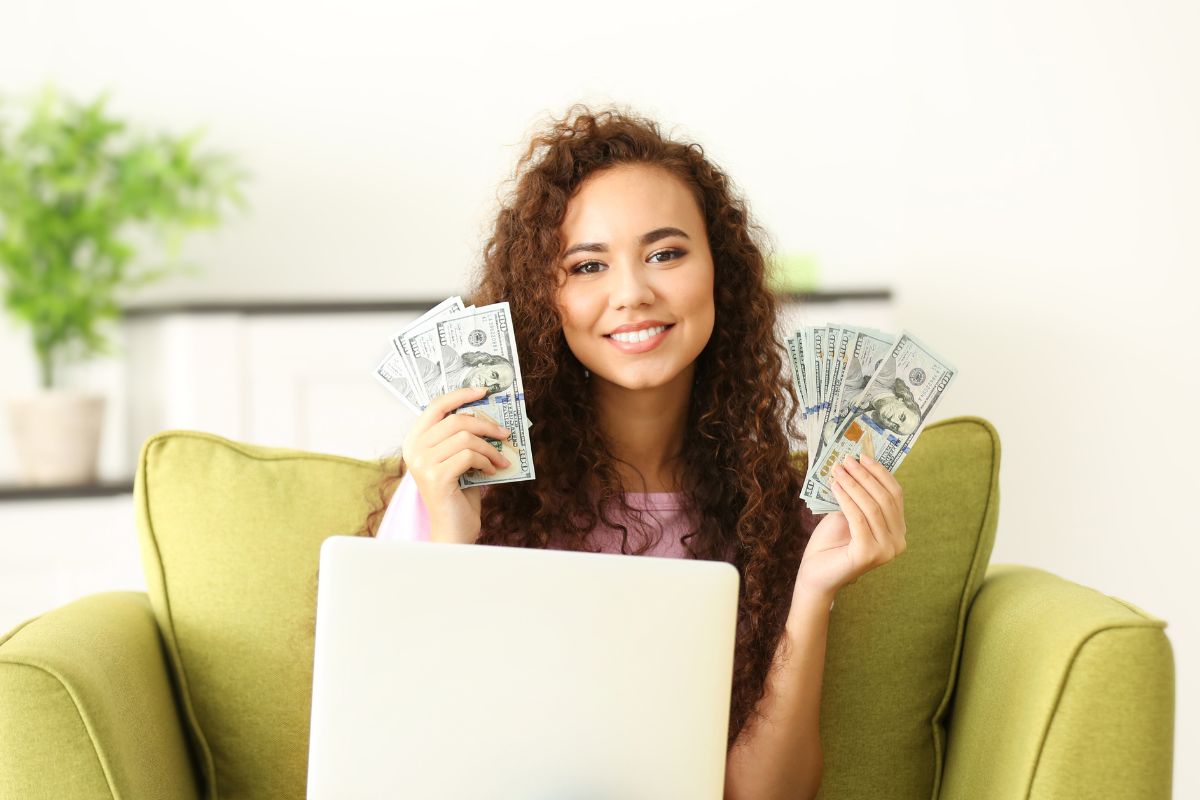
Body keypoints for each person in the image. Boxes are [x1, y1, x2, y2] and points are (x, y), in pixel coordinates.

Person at [360, 105, 907, 800]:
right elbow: (394, 753)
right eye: (588, 266)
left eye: (666, 253)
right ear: (546, 297)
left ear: (721, 274)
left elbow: (763, 796)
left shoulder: (773, 522)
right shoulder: (459, 486)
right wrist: (450, 539)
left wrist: (814, 589)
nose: (632, 294)